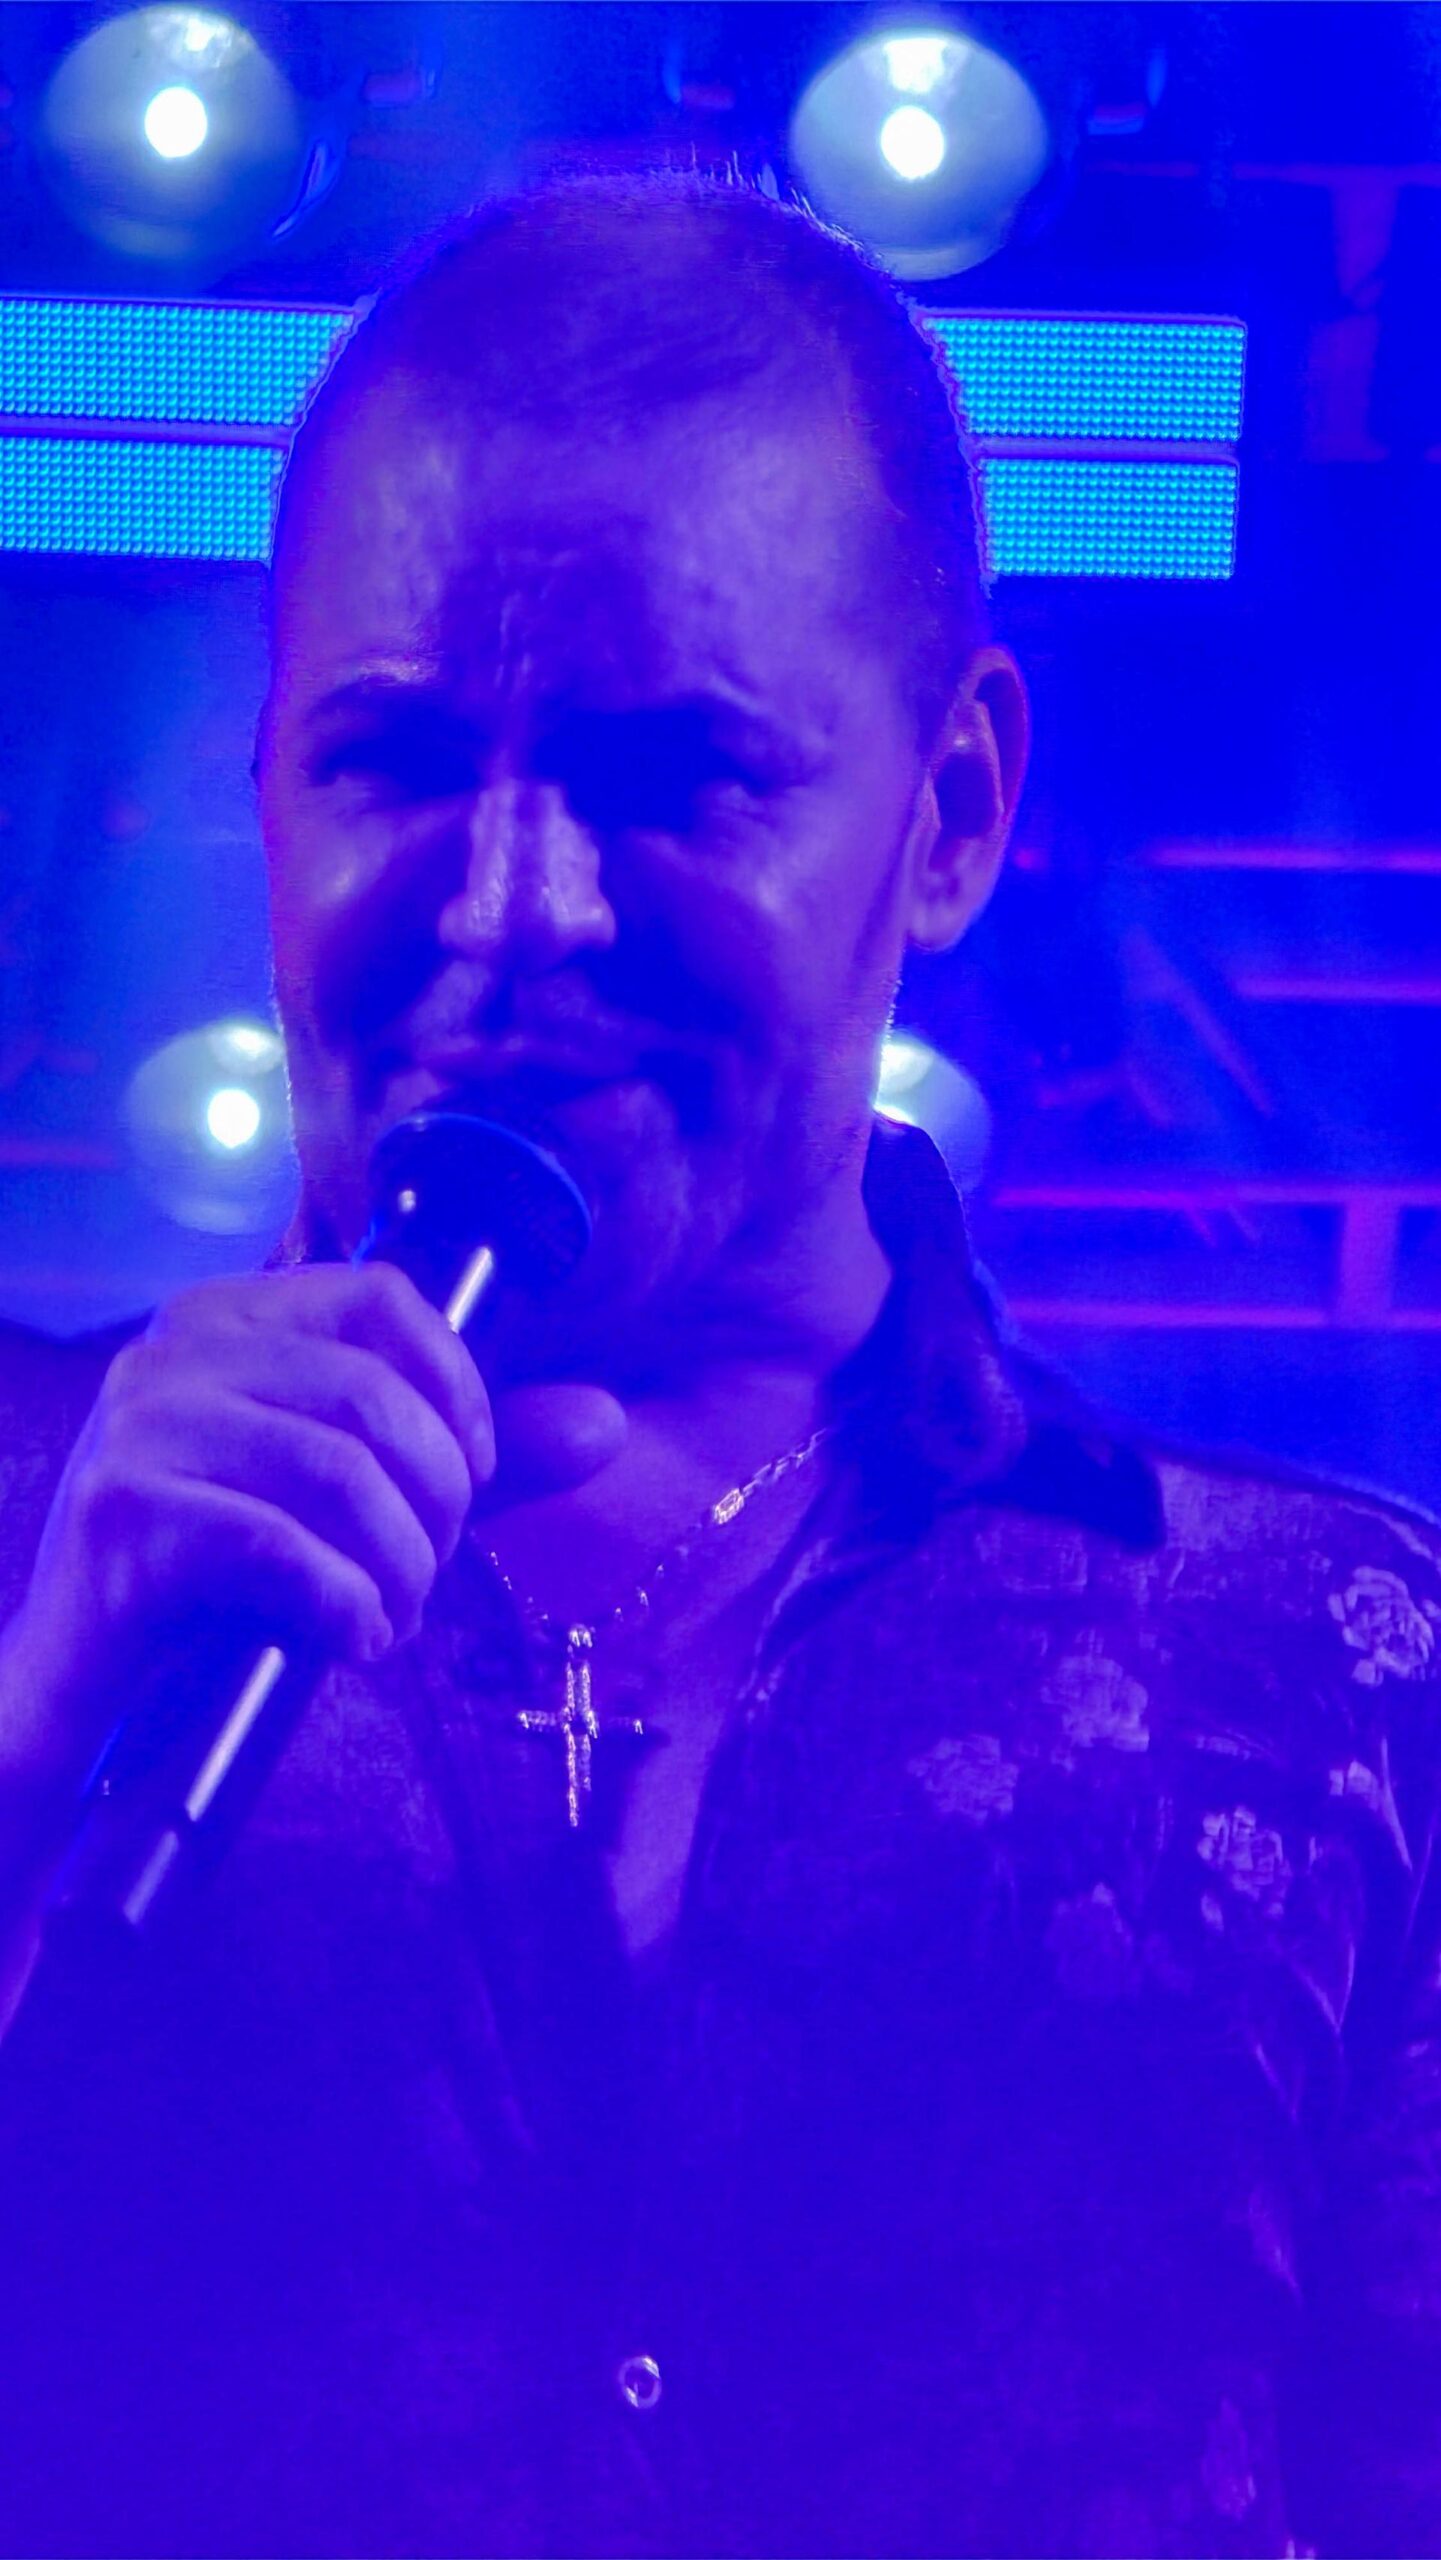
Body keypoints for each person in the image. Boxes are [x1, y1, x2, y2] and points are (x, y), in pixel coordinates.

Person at [0, 168, 1436, 2560]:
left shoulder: (1344, 1675)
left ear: (949, 812)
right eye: (391, 758)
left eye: (681, 777)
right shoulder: (28, 1535)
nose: (515, 907)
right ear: (262, 780)